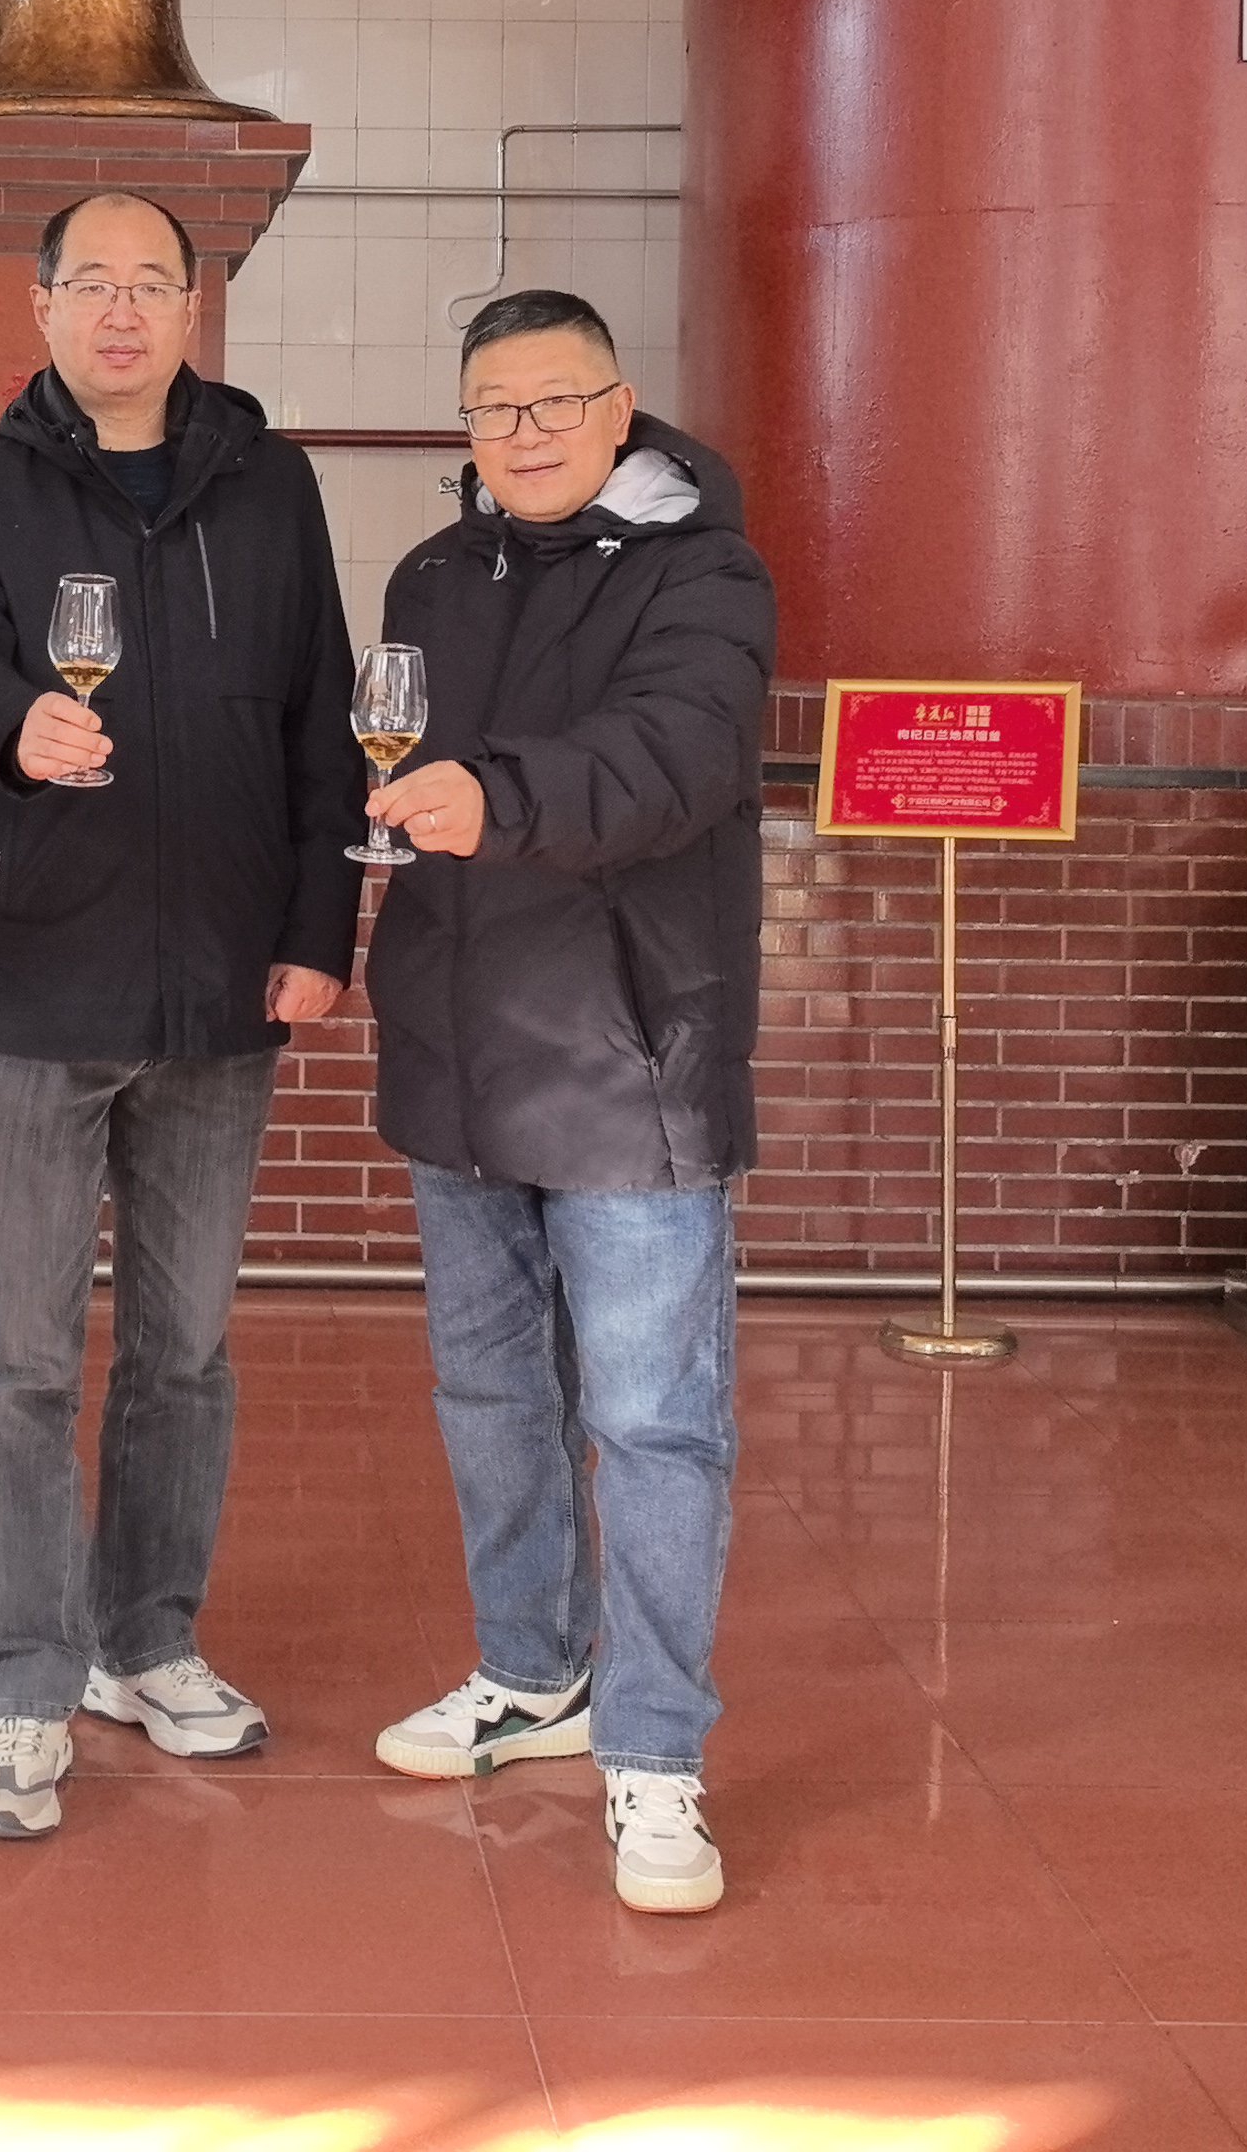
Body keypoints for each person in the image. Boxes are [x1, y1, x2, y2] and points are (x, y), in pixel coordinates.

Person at [0, 189, 368, 1842]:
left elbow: (322, 715)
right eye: (89, 283)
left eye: (149, 283)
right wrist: (10, 725)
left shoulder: (271, 481)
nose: (119, 311)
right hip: (39, 980)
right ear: (41, 308)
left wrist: (319, 930)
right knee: (18, 1361)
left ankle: (146, 1639)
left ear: (191, 307)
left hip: (225, 982)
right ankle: (22, 1687)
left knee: (183, 1352)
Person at [354, 287, 776, 1917]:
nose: (523, 435)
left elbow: (678, 756)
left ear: (618, 407)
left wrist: (497, 796)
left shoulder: (706, 572)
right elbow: (385, 767)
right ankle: (532, 1672)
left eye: (553, 403)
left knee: (655, 1420)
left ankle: (657, 1753)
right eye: (494, 409)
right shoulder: (432, 574)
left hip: (630, 1052)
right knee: (490, 1392)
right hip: (456, 1045)